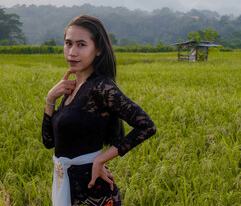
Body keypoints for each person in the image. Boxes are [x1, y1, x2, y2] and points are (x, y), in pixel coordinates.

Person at [41, 15, 156, 206]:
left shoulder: (101, 87)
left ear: (98, 50)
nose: (72, 52)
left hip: (93, 193)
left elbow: (146, 126)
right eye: (68, 43)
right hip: (66, 184)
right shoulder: (72, 87)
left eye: (81, 45)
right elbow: (49, 142)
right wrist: (50, 99)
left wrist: (100, 159)